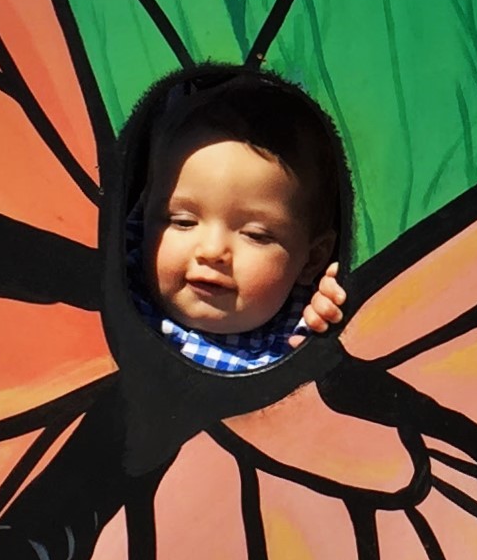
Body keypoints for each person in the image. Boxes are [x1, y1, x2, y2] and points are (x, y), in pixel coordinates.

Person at [126, 70, 349, 373]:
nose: (212, 251)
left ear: (311, 260)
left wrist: (330, 316)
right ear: (147, 214)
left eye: (256, 235)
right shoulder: (122, 280)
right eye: (183, 221)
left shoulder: (299, 325)